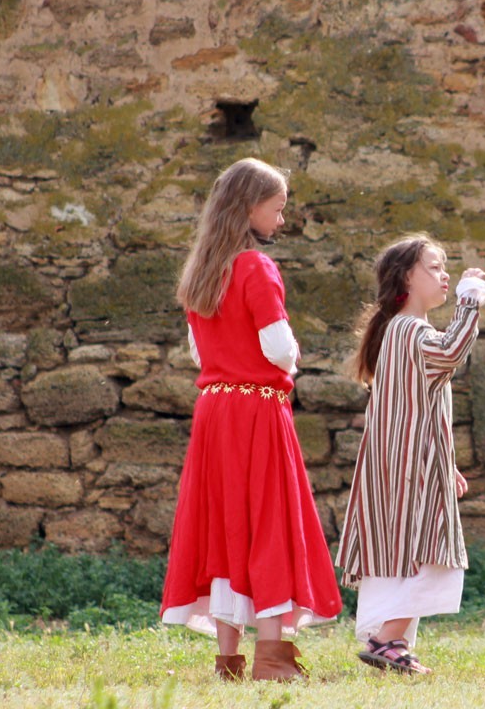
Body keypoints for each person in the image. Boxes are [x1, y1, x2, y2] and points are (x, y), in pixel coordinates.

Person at [160, 157, 342, 682]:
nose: (281, 220)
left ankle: (228, 661)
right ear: (249, 208)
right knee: (267, 522)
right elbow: (279, 349)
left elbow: (200, 352)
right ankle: (271, 656)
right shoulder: (255, 267)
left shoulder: (200, 273)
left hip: (215, 410)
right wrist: (294, 354)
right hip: (256, 411)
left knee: (225, 526)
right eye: (277, 208)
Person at [335, 234, 485, 675]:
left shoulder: (398, 331)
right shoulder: (410, 330)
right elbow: (450, 352)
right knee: (429, 549)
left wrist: (450, 463)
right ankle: (386, 640)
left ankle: (393, 642)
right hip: (409, 466)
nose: (444, 276)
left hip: (405, 462)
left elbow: (422, 402)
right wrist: (470, 300)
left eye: (446, 269)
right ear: (407, 276)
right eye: (435, 268)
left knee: (405, 550)